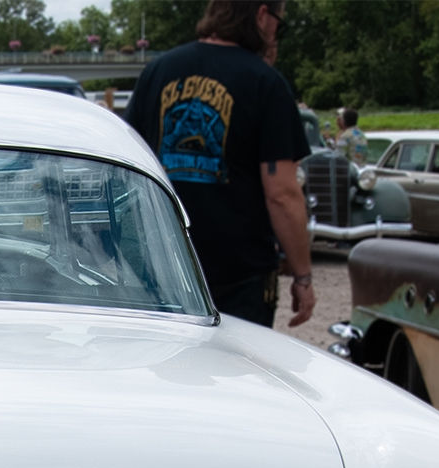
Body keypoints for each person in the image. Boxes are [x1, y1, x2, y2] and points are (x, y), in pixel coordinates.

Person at [126, 0, 315, 328]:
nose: (275, 35)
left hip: (161, 267)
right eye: (277, 24)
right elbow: (282, 194)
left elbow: (129, 168)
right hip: (240, 275)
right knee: (238, 375)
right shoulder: (265, 84)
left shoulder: (157, 72)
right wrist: (303, 276)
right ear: (260, 15)